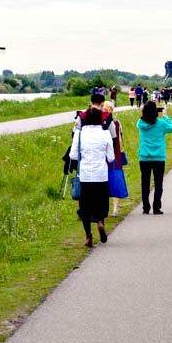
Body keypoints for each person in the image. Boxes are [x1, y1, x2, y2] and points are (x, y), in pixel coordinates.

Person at [70, 106, 115, 246]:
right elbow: (111, 158)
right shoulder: (105, 134)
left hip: (85, 175)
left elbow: (73, 155)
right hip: (100, 174)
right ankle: (100, 221)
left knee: (85, 205)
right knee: (101, 202)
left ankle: (88, 236)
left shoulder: (79, 134)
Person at [136, 100, 172, 215]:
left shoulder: (140, 123)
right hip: (159, 157)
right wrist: (165, 116)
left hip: (144, 157)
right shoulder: (161, 124)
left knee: (145, 183)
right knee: (158, 183)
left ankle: (145, 207)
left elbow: (143, 120)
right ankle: (156, 207)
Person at [102, 100, 128, 217]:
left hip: (104, 155)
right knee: (115, 181)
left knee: (104, 181)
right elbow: (120, 140)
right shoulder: (117, 124)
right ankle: (115, 209)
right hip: (115, 154)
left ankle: (106, 208)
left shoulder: (101, 124)